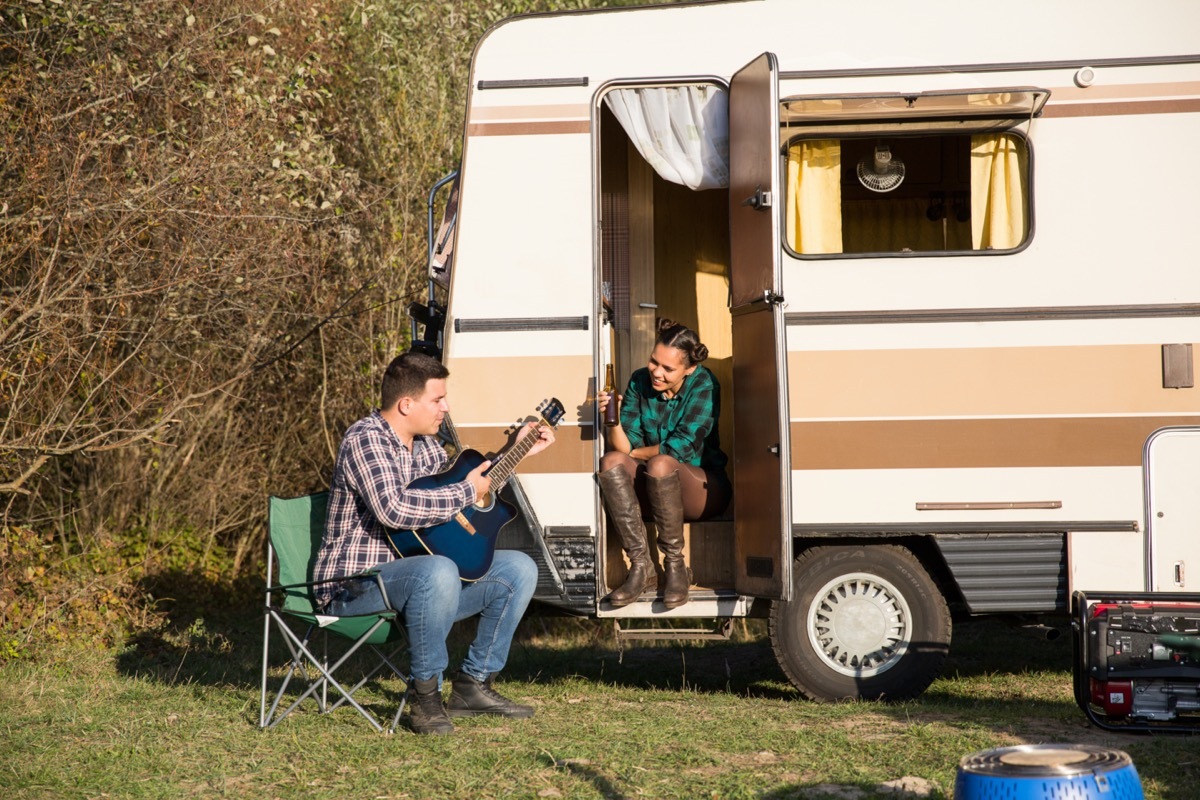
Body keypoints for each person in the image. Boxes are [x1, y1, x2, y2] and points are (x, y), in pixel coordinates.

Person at [312, 351, 555, 735]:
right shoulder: (365, 439)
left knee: (518, 569)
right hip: (354, 587)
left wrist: (517, 453)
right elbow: (394, 510)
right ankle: (425, 697)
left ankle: (473, 684)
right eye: (437, 399)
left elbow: (456, 507)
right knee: (439, 569)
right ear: (406, 404)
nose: (446, 407)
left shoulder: (427, 446)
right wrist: (464, 490)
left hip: (420, 585)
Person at [596, 319, 731, 609]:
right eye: (653, 362)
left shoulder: (704, 383)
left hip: (704, 489)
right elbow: (623, 448)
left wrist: (636, 454)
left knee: (661, 463)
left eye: (668, 368)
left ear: (689, 369)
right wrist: (614, 419)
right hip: (654, 486)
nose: (656, 372)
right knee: (610, 462)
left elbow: (680, 448)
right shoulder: (638, 380)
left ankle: (675, 567)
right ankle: (641, 566)